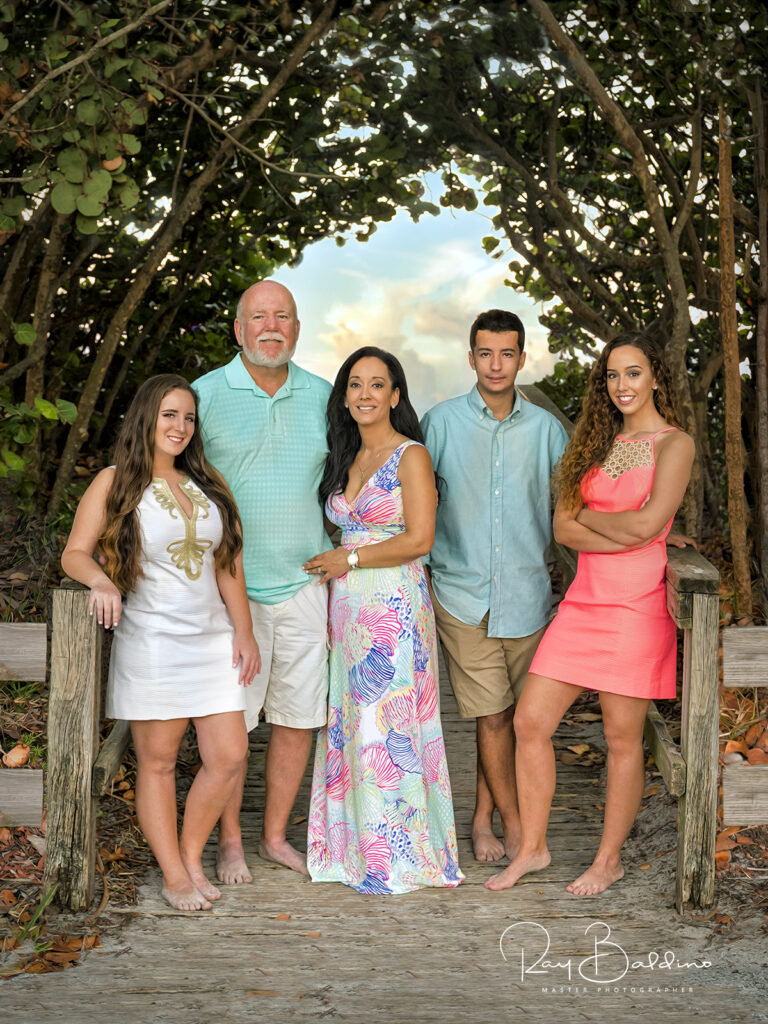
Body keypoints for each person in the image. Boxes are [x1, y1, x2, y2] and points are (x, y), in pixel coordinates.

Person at [486, 332, 695, 895]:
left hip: (635, 607)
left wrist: (608, 525)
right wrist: (626, 529)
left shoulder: (675, 445)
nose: (621, 385)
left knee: (622, 738)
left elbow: (649, 527)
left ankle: (608, 860)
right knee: (530, 722)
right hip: (583, 605)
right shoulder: (597, 444)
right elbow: (564, 528)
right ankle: (532, 847)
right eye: (611, 375)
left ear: (655, 378)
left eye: (632, 373)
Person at [61, 374, 259, 911]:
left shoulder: (208, 481)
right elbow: (75, 553)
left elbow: (229, 564)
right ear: (146, 417)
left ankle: (192, 854)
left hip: (212, 640)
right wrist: (100, 580)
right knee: (158, 762)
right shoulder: (115, 481)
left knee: (229, 754)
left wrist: (243, 630)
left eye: (188, 417)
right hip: (152, 640)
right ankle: (174, 873)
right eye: (170, 414)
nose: (180, 426)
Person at [303, 346, 463, 894]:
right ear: (344, 398)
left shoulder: (410, 455)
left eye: (378, 384)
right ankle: (353, 848)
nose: (365, 394)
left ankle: (397, 854)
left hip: (393, 605)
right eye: (355, 384)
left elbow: (420, 539)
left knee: (387, 723)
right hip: (346, 608)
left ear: (396, 396)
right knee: (350, 719)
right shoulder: (343, 457)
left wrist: (346, 559)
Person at [192, 280, 331, 881]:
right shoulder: (204, 396)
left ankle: (274, 836)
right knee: (234, 725)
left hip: (306, 583)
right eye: (258, 317)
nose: (271, 327)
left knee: (298, 719)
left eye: (283, 317)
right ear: (238, 328)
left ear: (297, 329)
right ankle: (229, 841)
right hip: (228, 590)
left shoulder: (326, 397)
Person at [421, 310, 569, 863]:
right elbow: (411, 499)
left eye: (507, 354)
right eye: (486, 353)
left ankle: (481, 817)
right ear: (471, 358)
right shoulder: (440, 424)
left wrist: (658, 533)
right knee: (493, 717)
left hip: (529, 597)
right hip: (462, 595)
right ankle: (517, 826)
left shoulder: (548, 430)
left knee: (506, 718)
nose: (496, 364)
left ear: (522, 359)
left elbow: (575, 505)